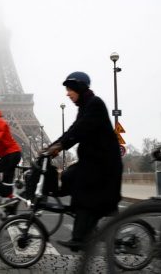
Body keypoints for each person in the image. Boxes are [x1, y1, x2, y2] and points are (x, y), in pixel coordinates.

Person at [45, 72, 122, 251]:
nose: (67, 93)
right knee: (68, 176)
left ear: (80, 87)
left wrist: (60, 146)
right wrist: (52, 146)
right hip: (93, 162)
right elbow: (73, 129)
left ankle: (80, 236)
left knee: (82, 189)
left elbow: (80, 129)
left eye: (70, 89)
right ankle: (82, 218)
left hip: (103, 165)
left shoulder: (95, 104)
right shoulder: (86, 106)